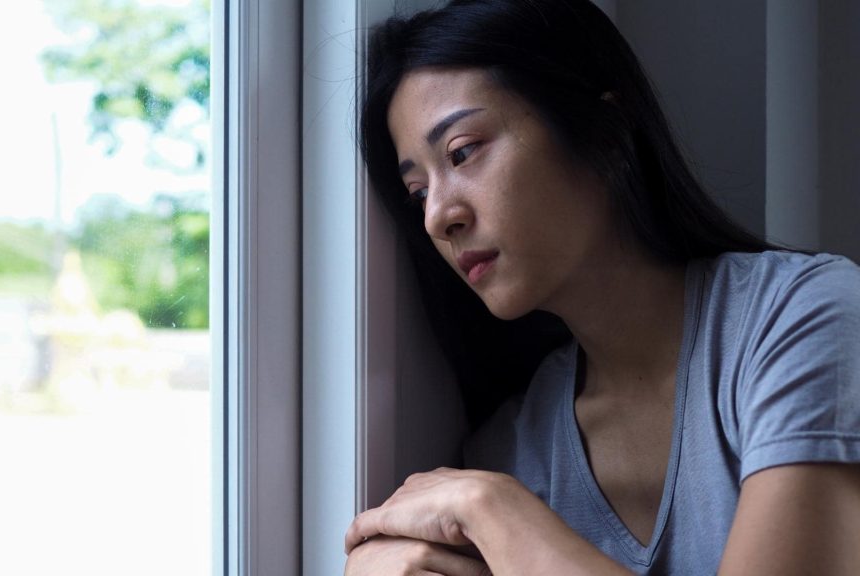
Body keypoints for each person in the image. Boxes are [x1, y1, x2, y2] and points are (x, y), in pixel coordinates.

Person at [344, 0, 860, 574]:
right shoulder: (512, 449)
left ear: (604, 129)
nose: (438, 217)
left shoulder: (805, 317)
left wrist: (495, 512)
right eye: (417, 193)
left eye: (463, 152)